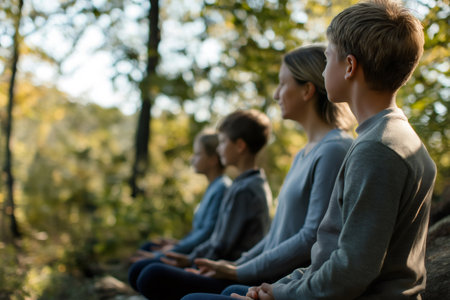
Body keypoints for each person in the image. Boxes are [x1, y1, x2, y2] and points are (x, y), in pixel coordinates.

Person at [202, 1, 436, 299]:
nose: (323, 69)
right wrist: (280, 288)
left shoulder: (377, 149)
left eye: (327, 58)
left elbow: (350, 272)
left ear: (349, 66)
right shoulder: (386, 136)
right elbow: (334, 255)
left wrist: (280, 295)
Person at [177, 44, 355, 300]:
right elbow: (275, 234)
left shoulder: (334, 150)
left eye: (283, 84)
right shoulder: (303, 154)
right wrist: (237, 267)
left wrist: (239, 272)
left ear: (307, 90)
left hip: (289, 284)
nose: (275, 94)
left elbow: (310, 238)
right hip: (269, 279)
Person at [129, 109, 273, 299]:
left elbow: (221, 246)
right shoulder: (245, 184)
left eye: (222, 142)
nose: (219, 148)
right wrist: (186, 257)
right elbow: (217, 240)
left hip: (229, 273)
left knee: (150, 274)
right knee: (147, 270)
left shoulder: (245, 189)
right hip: (221, 266)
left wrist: (191, 262)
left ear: (240, 146)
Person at [128, 131, 231, 264]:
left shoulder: (222, 188)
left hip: (201, 258)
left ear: (213, 160)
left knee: (145, 266)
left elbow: (206, 234)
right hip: (192, 249)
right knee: (148, 246)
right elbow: (198, 232)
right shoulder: (213, 186)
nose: (192, 158)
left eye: (198, 154)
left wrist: (173, 250)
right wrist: (177, 243)